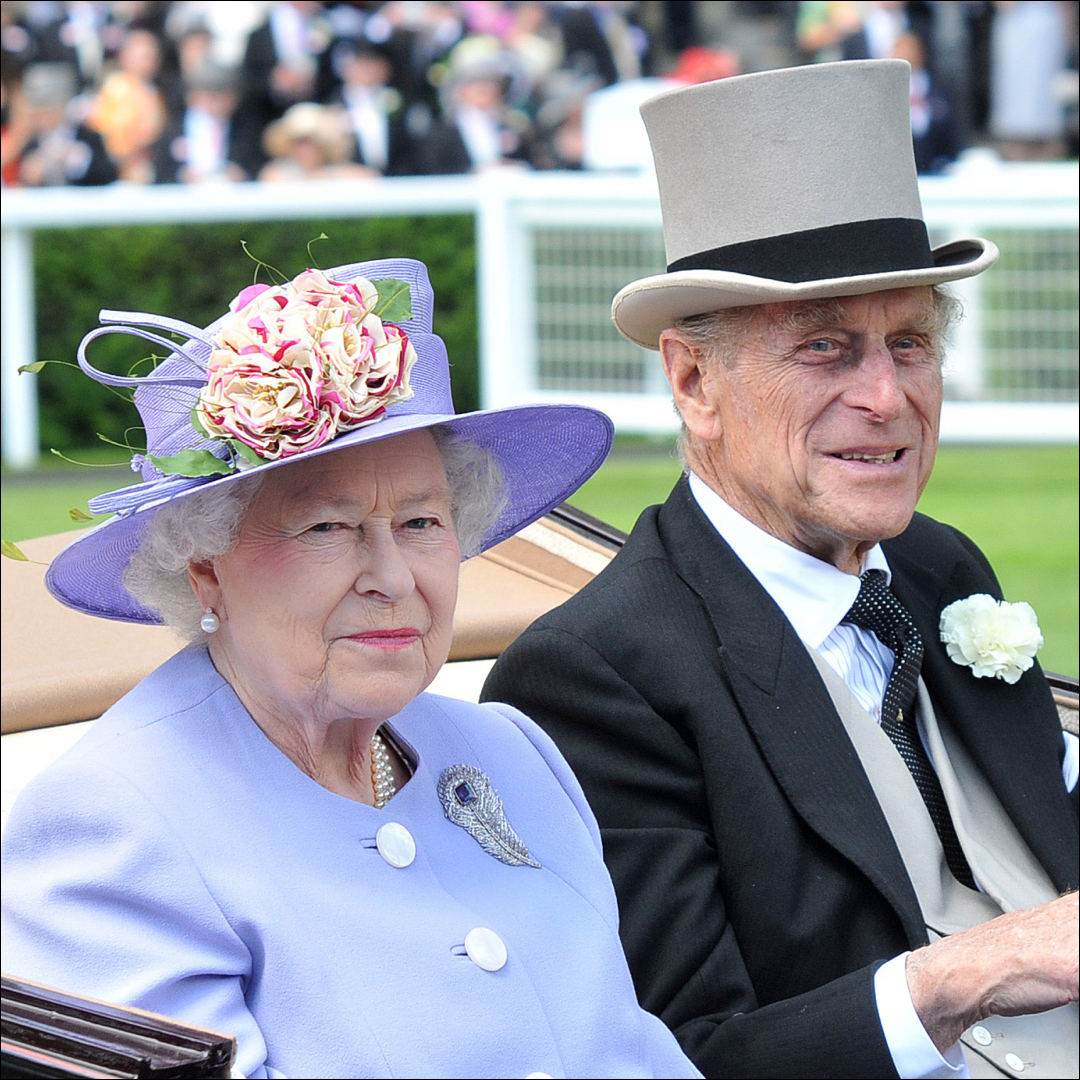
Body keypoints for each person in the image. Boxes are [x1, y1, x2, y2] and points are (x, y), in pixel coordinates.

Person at [483, 61, 1078, 1079]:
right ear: (691, 380)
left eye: (910, 342)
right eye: (826, 348)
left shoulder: (936, 568)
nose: (888, 397)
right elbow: (687, 1058)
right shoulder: (596, 677)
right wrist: (964, 976)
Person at [1, 258, 699, 1080]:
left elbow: (637, 1049)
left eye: (421, 521)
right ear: (205, 567)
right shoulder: (116, 821)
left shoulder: (513, 750)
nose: (394, 577)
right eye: (327, 528)